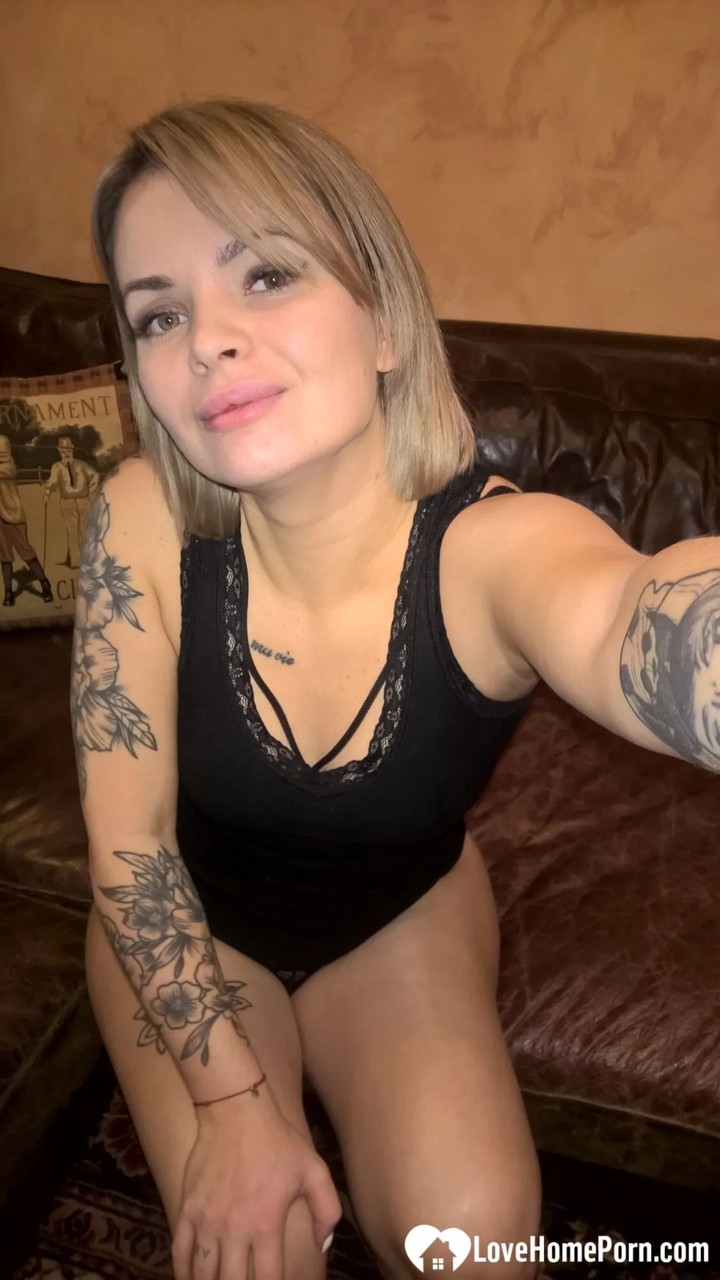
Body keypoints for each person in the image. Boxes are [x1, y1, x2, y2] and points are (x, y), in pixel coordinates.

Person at [76, 99, 719, 1280]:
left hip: (399, 910)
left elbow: (639, 614)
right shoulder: (140, 517)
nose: (208, 340)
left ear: (382, 317)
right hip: (191, 912)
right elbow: (128, 843)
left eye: (265, 275)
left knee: (476, 1248)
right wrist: (233, 1109)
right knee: (258, 1250)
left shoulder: (491, 547)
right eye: (160, 313)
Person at [0, 433, 54, 606]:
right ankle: (8, 592)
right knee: (5, 556)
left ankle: (44, 583)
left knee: (26, 553)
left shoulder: (8, 467)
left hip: (13, 516)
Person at [44, 435, 100, 569]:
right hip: (67, 502)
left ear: (72, 449)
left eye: (68, 450)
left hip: (83, 501)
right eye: (63, 450)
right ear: (59, 451)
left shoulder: (81, 465)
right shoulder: (57, 467)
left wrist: (92, 491)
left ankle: (91, 559)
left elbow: (95, 476)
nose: (66, 453)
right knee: (72, 531)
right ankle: (76, 561)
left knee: (86, 530)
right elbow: (52, 481)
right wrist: (47, 493)